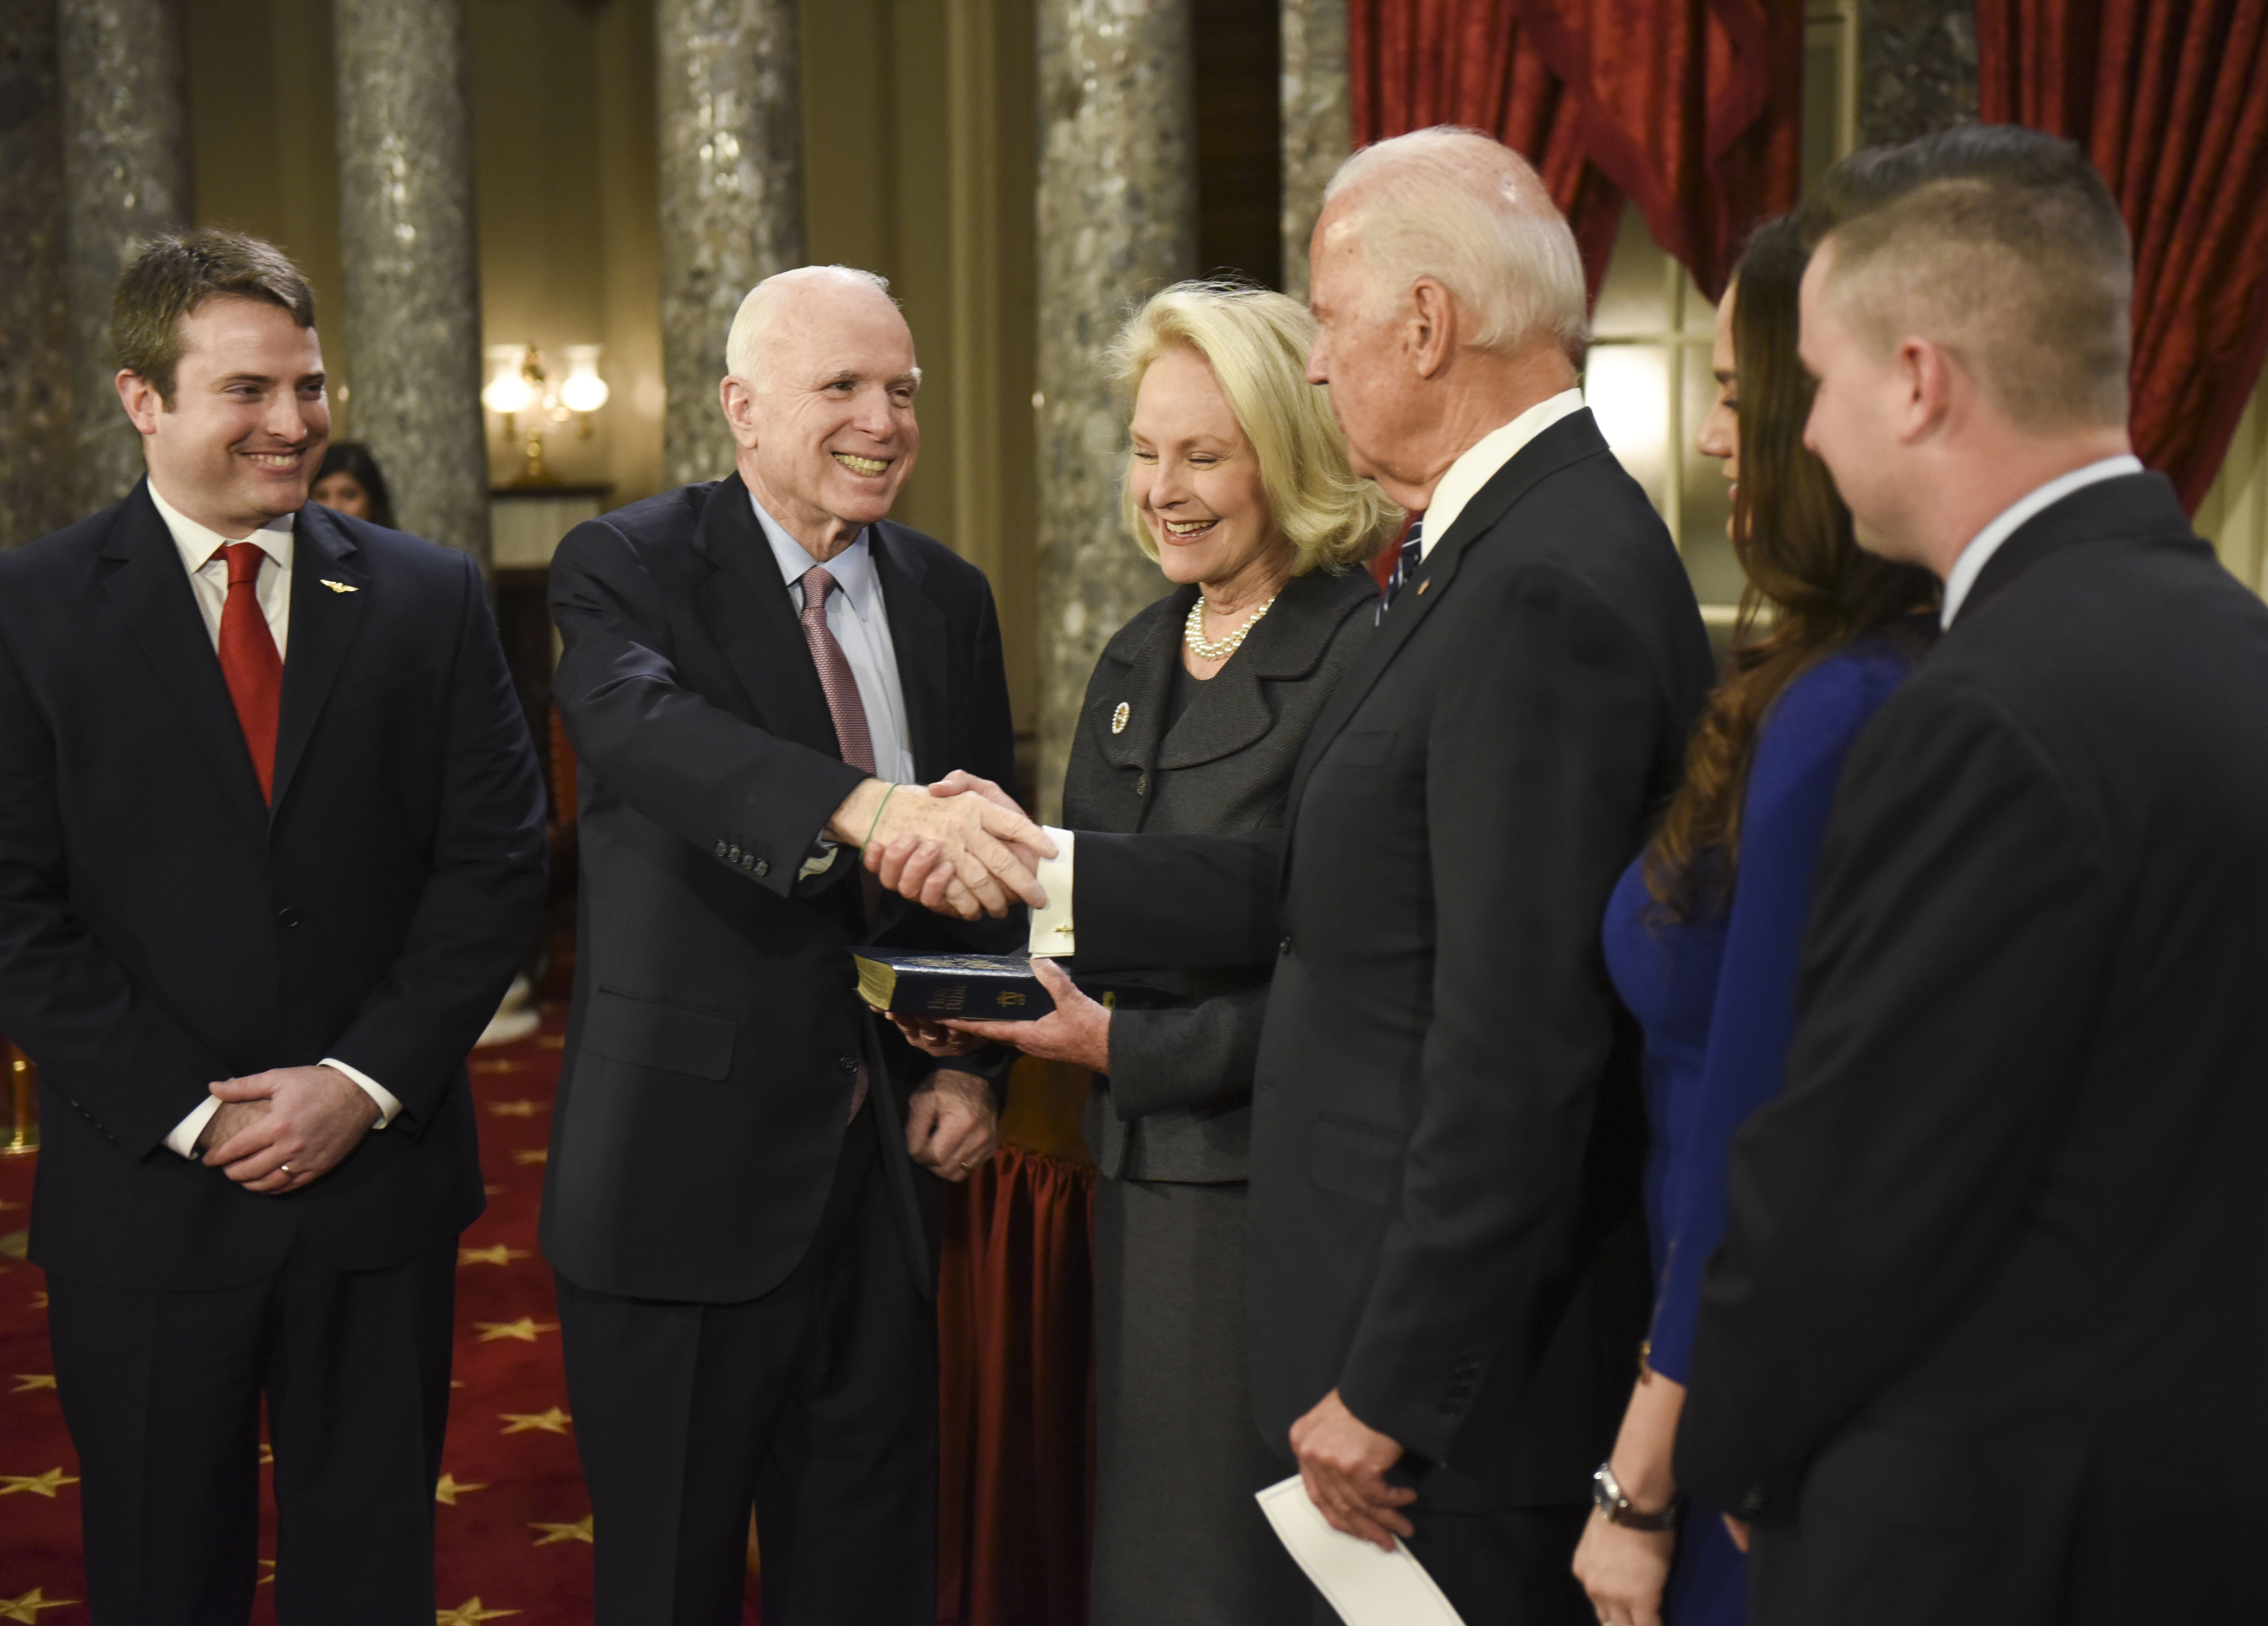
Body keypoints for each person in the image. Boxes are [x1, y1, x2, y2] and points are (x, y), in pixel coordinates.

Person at [880, 127, 1714, 1624]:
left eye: (1326, 322)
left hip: (1446, 1396)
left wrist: (1394, 1377)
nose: (1318, 367)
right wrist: (1048, 868)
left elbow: (1513, 1037)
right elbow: (1320, 898)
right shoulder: (1478, 555)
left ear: (1422, 324)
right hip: (1364, 1323)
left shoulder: (1532, 583)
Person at [1672, 127, 2268, 1625]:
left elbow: (1853, 1189)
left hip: (1992, 1546)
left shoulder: (1978, 717)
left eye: (1817, 381)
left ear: (1917, 380)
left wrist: (1719, 1447)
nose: (1797, 435)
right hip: (2220, 1532)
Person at [0, 229, 547, 1623]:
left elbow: (496, 865)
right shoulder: (30, 611)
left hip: (376, 1188)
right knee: (156, 1577)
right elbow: (14, 909)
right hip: (146, 1194)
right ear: (144, 399)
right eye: (249, 390)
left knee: (371, 1576)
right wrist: (198, 1112)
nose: (296, 421)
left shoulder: (429, 597)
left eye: (307, 385)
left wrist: (357, 1084)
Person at [541, 264, 1052, 1626]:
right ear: (742, 407)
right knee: (670, 1583)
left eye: (902, 390)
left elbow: (986, 861)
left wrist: (972, 1074)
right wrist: (862, 804)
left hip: (887, 1173)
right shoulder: (626, 566)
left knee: (869, 1569)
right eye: (842, 388)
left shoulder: (948, 594)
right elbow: (653, 738)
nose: (883, 419)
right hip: (680, 1178)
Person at [924, 280, 1397, 1625]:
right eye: (1144, 451)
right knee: (1145, 1563)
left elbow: (1339, 956)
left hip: (1272, 1197)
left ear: (1285, 458)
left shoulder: (1356, 651)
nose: (1163, 488)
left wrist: (1127, 1039)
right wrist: (965, 999)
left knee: (1240, 1578)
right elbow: (1086, 915)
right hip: (1126, 1184)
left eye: (1202, 453)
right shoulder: (1137, 649)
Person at [1571, 217, 1936, 1626]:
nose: (1712, 435)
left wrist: (1637, 1483)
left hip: (1738, 1393)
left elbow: (1756, 1127)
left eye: (1731, 393)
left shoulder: (1844, 708)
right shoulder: (1821, 674)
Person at [311, 440, 396, 528]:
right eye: (321, 496)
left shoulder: (398, 542)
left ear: (373, 500)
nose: (333, 507)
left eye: (349, 496)